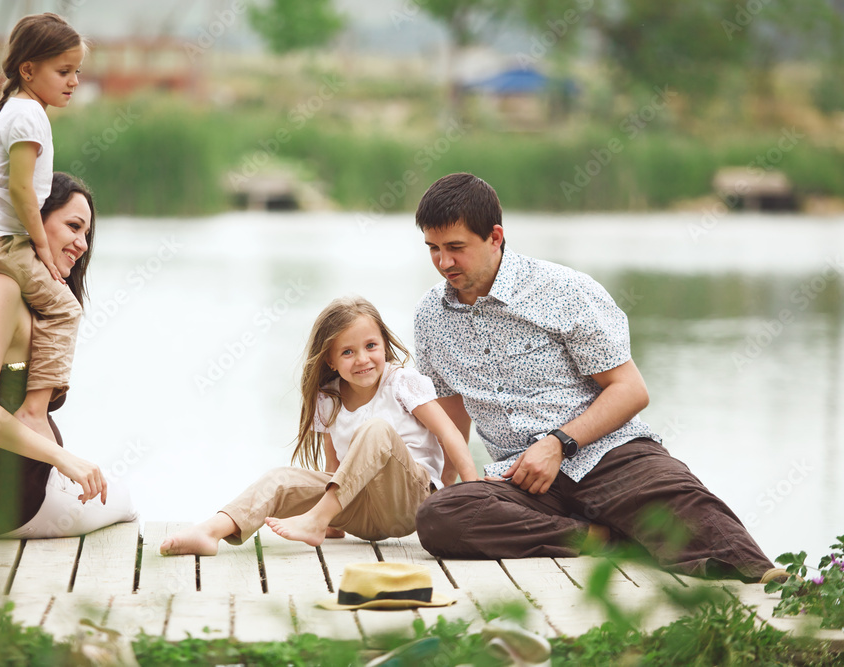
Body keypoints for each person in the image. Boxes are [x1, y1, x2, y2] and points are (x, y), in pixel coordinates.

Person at [411, 172, 783, 583]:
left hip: (609, 456)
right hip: (522, 481)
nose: (443, 263)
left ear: (495, 236)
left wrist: (557, 444)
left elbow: (630, 390)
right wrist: (451, 484)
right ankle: (601, 538)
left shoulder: (564, 290)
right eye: (433, 249)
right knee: (439, 517)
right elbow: (450, 421)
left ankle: (774, 589)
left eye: (455, 248)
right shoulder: (431, 318)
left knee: (690, 509)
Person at [0, 172, 138, 538]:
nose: (81, 244)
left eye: (87, 235)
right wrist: (64, 459)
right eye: (73, 226)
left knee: (100, 493)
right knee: (124, 502)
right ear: (33, 217)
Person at [160, 296, 478, 556]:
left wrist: (475, 494)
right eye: (348, 352)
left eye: (371, 346)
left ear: (384, 344)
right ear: (330, 360)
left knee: (376, 430)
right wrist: (335, 525)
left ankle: (315, 519)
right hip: (362, 515)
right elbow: (334, 467)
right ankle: (210, 531)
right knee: (280, 478)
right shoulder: (329, 399)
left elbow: (449, 434)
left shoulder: (401, 382)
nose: (363, 359)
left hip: (410, 502)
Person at [0, 12, 86, 448]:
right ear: (28, 70)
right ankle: (33, 410)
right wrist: (42, 249)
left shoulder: (17, 110)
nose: (74, 81)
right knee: (65, 309)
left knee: (50, 305)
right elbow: (22, 190)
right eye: (63, 71)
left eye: (77, 71)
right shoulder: (29, 117)